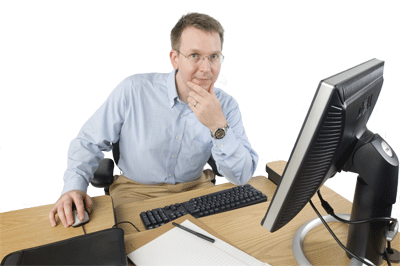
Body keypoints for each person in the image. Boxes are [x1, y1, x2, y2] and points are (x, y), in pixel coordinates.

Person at [49, 12, 258, 228]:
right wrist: (74, 188)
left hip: (196, 192)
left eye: (213, 56)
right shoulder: (133, 90)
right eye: (195, 55)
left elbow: (241, 176)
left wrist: (218, 126)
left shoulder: (226, 106)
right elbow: (87, 142)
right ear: (175, 58)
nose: (206, 68)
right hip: (135, 192)